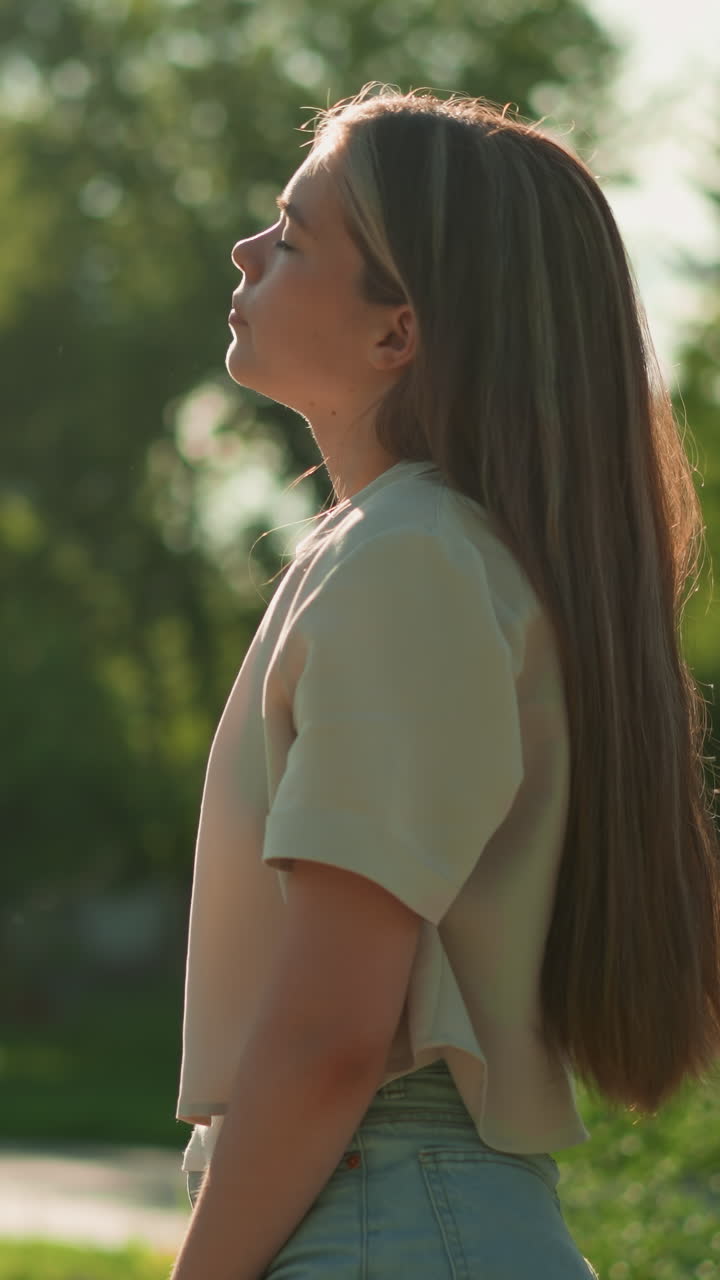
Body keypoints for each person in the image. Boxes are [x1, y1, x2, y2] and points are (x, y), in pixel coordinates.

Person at [169, 85, 720, 1280]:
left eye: (292, 235)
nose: (246, 249)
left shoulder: (409, 558)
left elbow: (331, 1036)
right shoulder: (425, 550)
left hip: (384, 1217)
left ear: (398, 334)